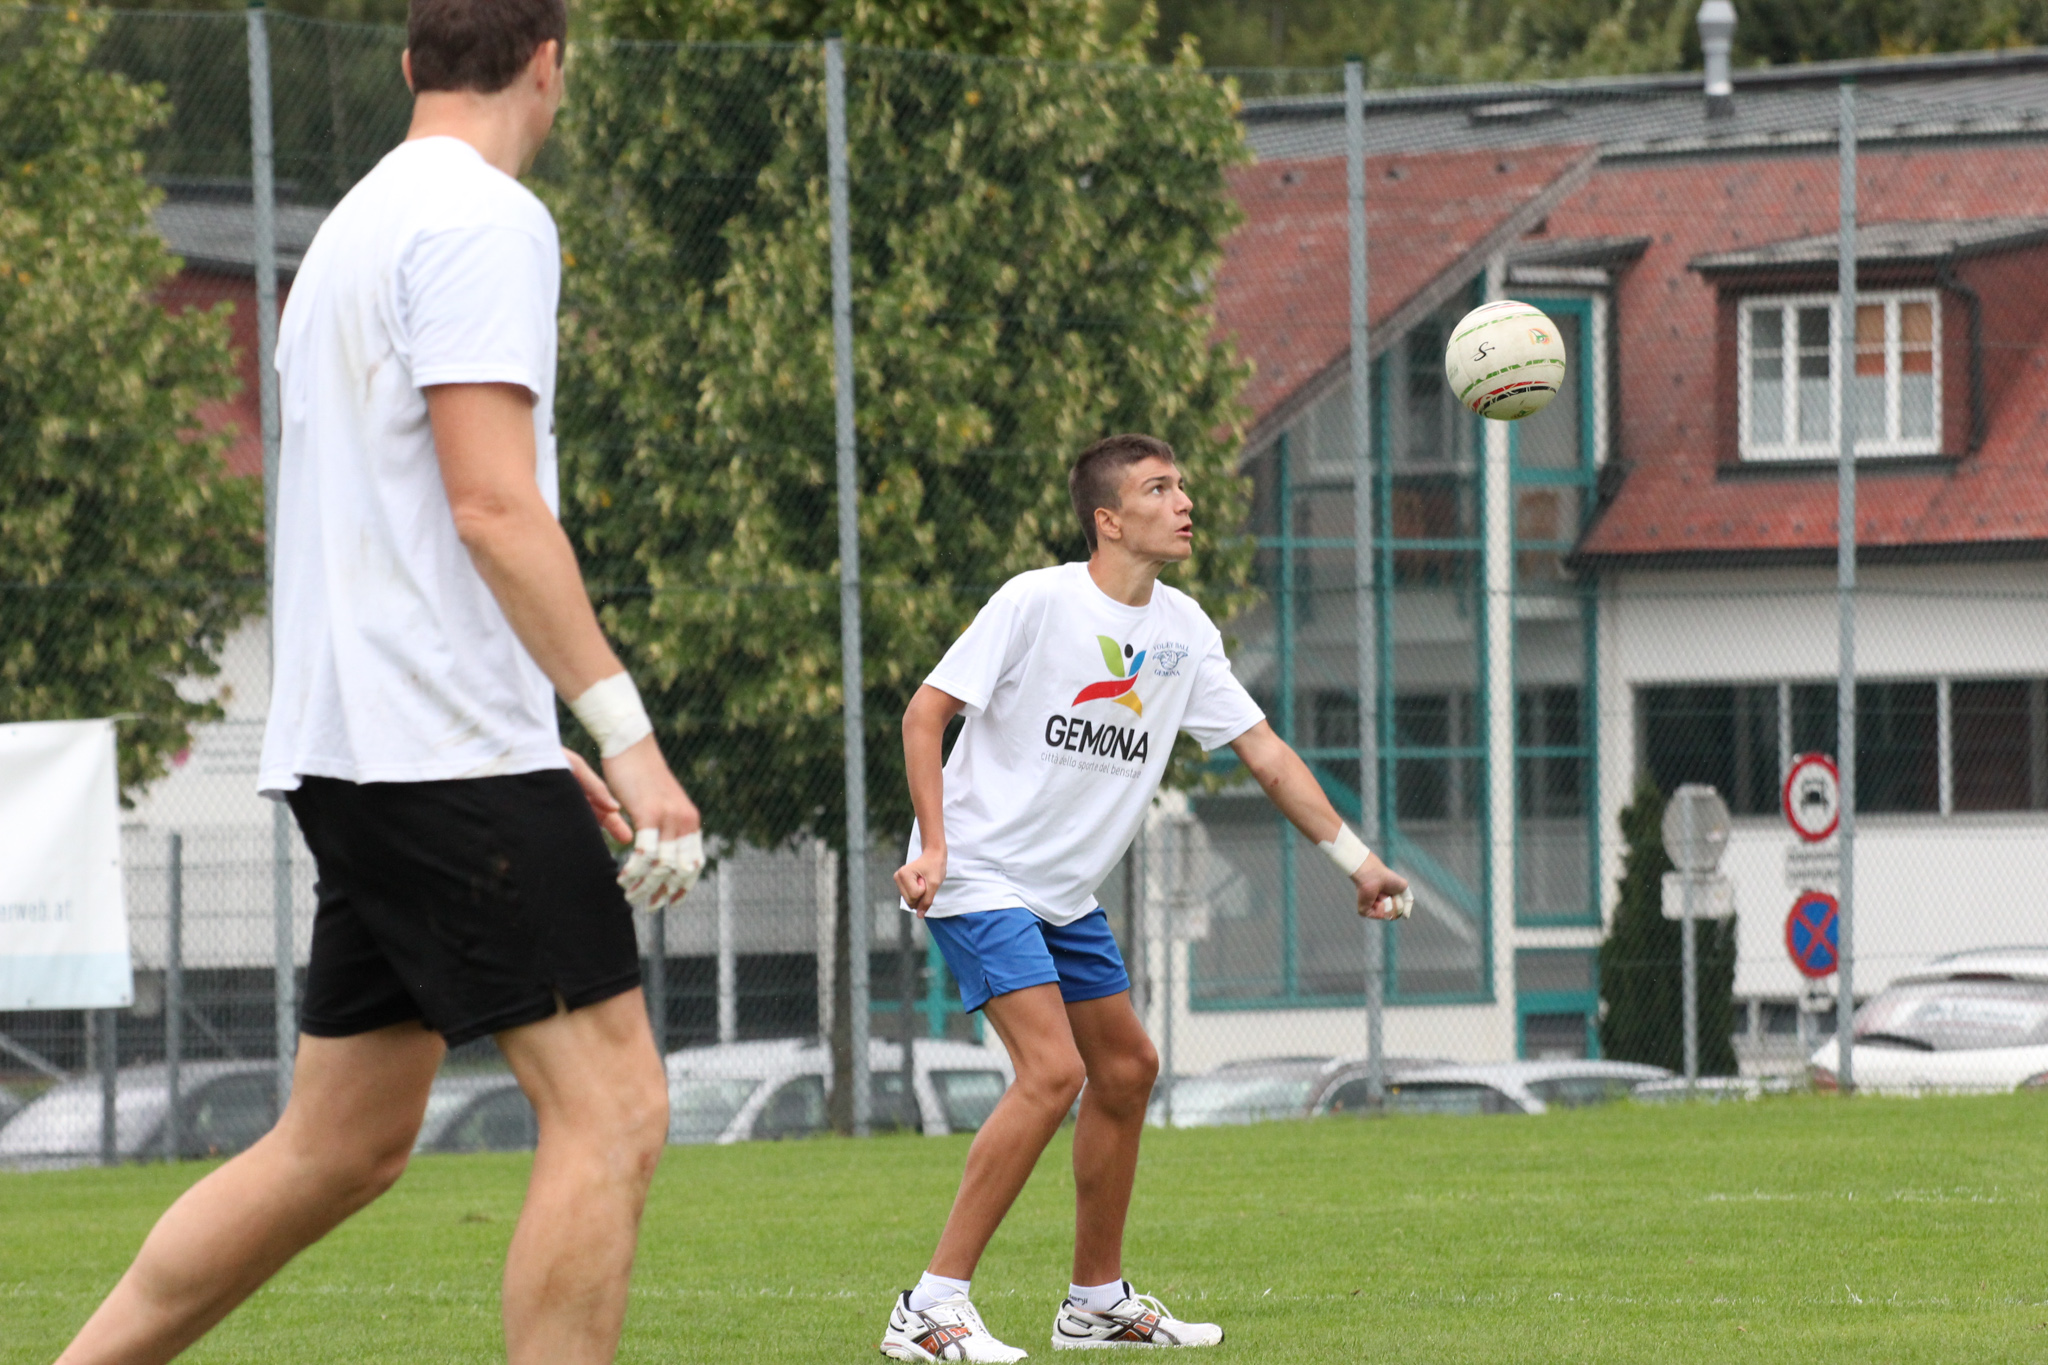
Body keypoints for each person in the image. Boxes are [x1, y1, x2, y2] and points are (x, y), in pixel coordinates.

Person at [53, 2, 704, 1362]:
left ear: (411, 65)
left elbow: (397, 522)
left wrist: (523, 733)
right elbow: (491, 507)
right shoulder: (486, 220)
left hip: (368, 753)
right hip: (436, 752)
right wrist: (625, 735)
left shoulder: (350, 230)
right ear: (550, 63)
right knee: (615, 1108)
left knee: (339, 1145)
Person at [880, 434, 1410, 1361]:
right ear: (1109, 520)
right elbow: (925, 715)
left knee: (1126, 1069)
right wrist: (933, 843)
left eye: (1182, 485)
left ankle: (1094, 1302)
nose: (1184, 501)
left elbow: (1266, 754)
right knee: (1053, 1072)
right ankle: (930, 1305)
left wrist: (1358, 860)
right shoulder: (1036, 602)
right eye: (1159, 488)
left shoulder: (1185, 631)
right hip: (979, 874)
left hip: (1063, 893)